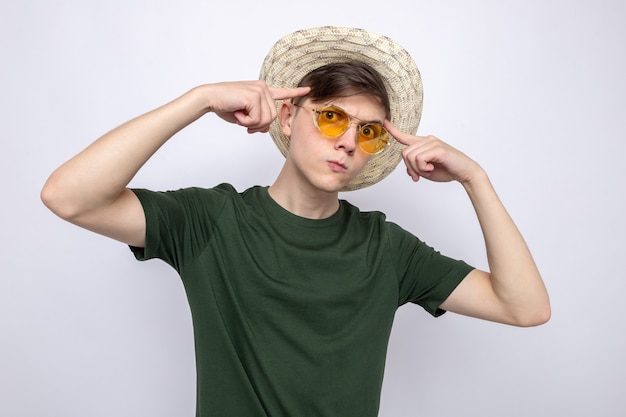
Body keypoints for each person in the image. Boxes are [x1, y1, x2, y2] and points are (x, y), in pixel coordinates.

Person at [41, 27, 550, 417]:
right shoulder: (211, 221)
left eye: (369, 131)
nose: (349, 142)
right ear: (288, 118)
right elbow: (68, 197)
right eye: (331, 117)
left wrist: (475, 180)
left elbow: (525, 307)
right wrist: (198, 100)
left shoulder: (386, 248)